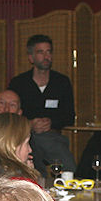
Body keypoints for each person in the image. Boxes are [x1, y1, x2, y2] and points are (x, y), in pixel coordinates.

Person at [8, 34, 77, 176]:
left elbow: (69, 116)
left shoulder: (61, 82)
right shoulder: (19, 83)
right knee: (31, 164)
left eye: (49, 52)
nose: (46, 56)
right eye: (40, 52)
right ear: (31, 57)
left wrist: (51, 122)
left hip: (52, 137)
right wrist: (29, 124)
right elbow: (9, 116)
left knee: (68, 165)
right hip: (24, 136)